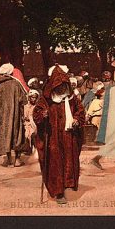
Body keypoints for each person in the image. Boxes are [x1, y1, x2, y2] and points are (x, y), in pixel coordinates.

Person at [33, 65, 85, 205]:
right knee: (55, 162)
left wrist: (76, 120)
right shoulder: (46, 99)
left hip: (68, 136)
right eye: (59, 85)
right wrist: (42, 115)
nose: (62, 88)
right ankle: (58, 192)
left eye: (64, 85)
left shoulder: (72, 98)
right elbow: (37, 114)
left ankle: (67, 184)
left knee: (68, 161)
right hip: (53, 137)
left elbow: (80, 112)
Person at [0, 63, 29, 167]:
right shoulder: (16, 84)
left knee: (4, 135)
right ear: (11, 72)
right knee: (17, 135)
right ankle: (17, 160)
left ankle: (8, 160)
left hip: (1, 119)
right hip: (15, 116)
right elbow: (23, 100)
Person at [22, 89, 40, 156]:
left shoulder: (36, 107)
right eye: (32, 97)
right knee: (26, 134)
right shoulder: (25, 106)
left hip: (34, 123)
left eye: (35, 97)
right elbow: (24, 116)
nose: (34, 99)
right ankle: (28, 148)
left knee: (33, 133)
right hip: (27, 123)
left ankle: (35, 149)